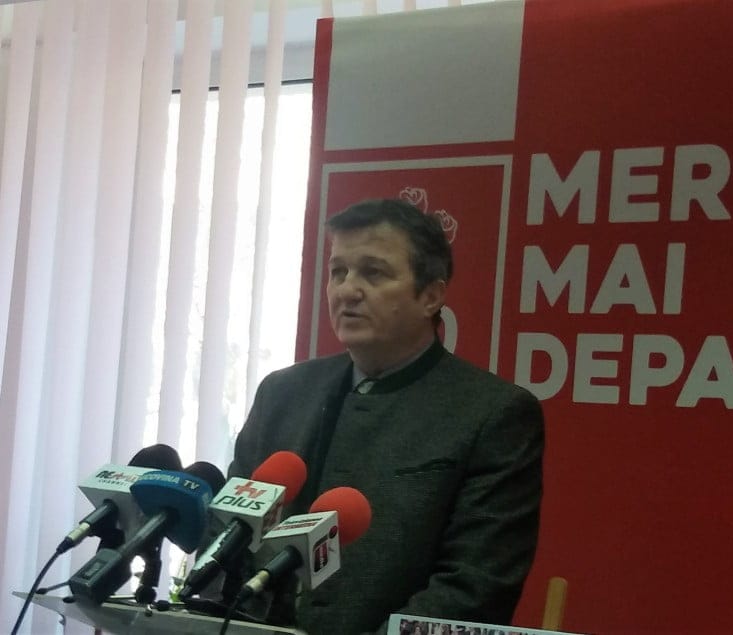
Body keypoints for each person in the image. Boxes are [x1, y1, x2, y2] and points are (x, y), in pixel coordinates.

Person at [228, 198, 545, 635]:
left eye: (373, 273)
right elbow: (231, 534)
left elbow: (473, 589)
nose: (347, 290)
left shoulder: (493, 414)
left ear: (431, 296)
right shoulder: (282, 393)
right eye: (338, 271)